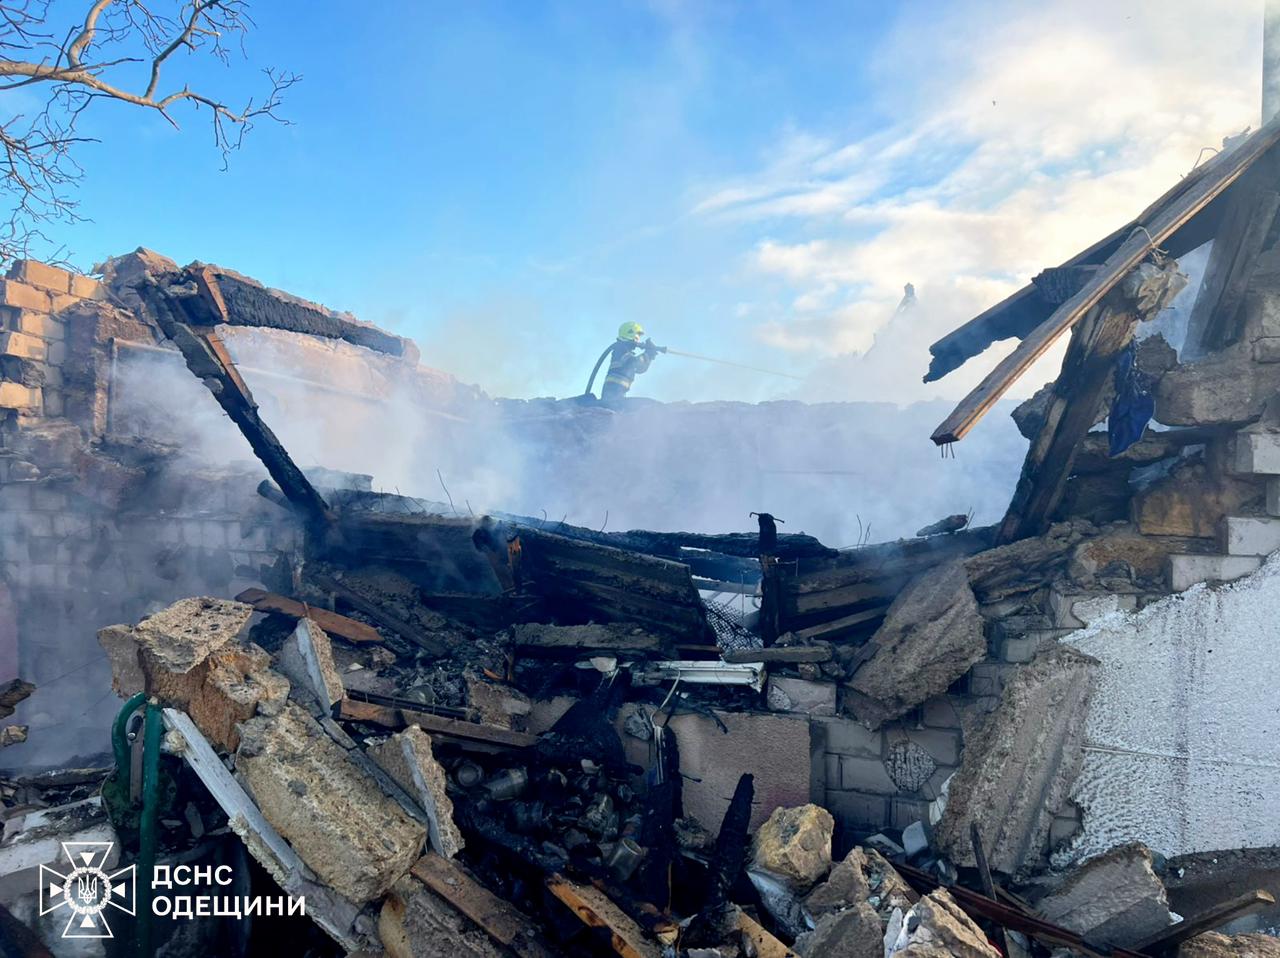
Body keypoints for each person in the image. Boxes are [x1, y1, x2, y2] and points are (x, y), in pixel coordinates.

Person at [601, 321, 661, 400]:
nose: (638, 339)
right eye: (638, 335)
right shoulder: (620, 348)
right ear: (631, 333)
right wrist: (648, 354)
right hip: (612, 395)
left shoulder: (625, 350)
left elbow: (640, 369)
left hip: (618, 394)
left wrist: (650, 356)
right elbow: (633, 363)